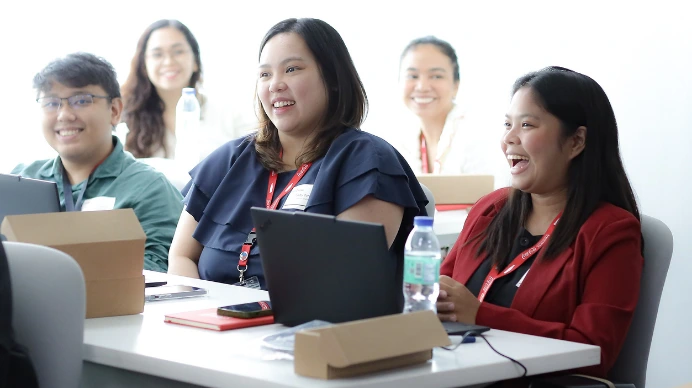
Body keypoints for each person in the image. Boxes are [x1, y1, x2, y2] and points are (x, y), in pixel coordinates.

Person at [168, 18, 427, 288]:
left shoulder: (367, 160)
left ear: (333, 79)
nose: (275, 84)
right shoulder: (229, 160)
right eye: (265, 74)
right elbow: (181, 256)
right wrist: (202, 315)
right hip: (210, 324)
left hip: (310, 327)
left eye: (291, 69)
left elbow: (346, 279)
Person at [436, 67, 643, 383]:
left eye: (527, 125)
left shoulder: (610, 232)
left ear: (576, 141)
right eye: (507, 124)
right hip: (448, 375)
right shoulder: (490, 208)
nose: (509, 138)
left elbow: (595, 350)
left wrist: (481, 316)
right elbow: (445, 291)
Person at [12, 53, 183, 272]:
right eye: (51, 102)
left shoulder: (149, 188)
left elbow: (156, 272)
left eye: (81, 100)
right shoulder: (21, 180)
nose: (64, 115)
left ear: (114, 110)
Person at [119, 19, 250, 160]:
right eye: (157, 54)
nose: (169, 61)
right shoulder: (125, 117)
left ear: (195, 61)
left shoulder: (230, 114)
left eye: (178, 52)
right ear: (144, 65)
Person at [397, 36, 504, 177]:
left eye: (436, 76)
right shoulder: (398, 141)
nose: (422, 87)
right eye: (412, 76)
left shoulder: (477, 134)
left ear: (456, 85)